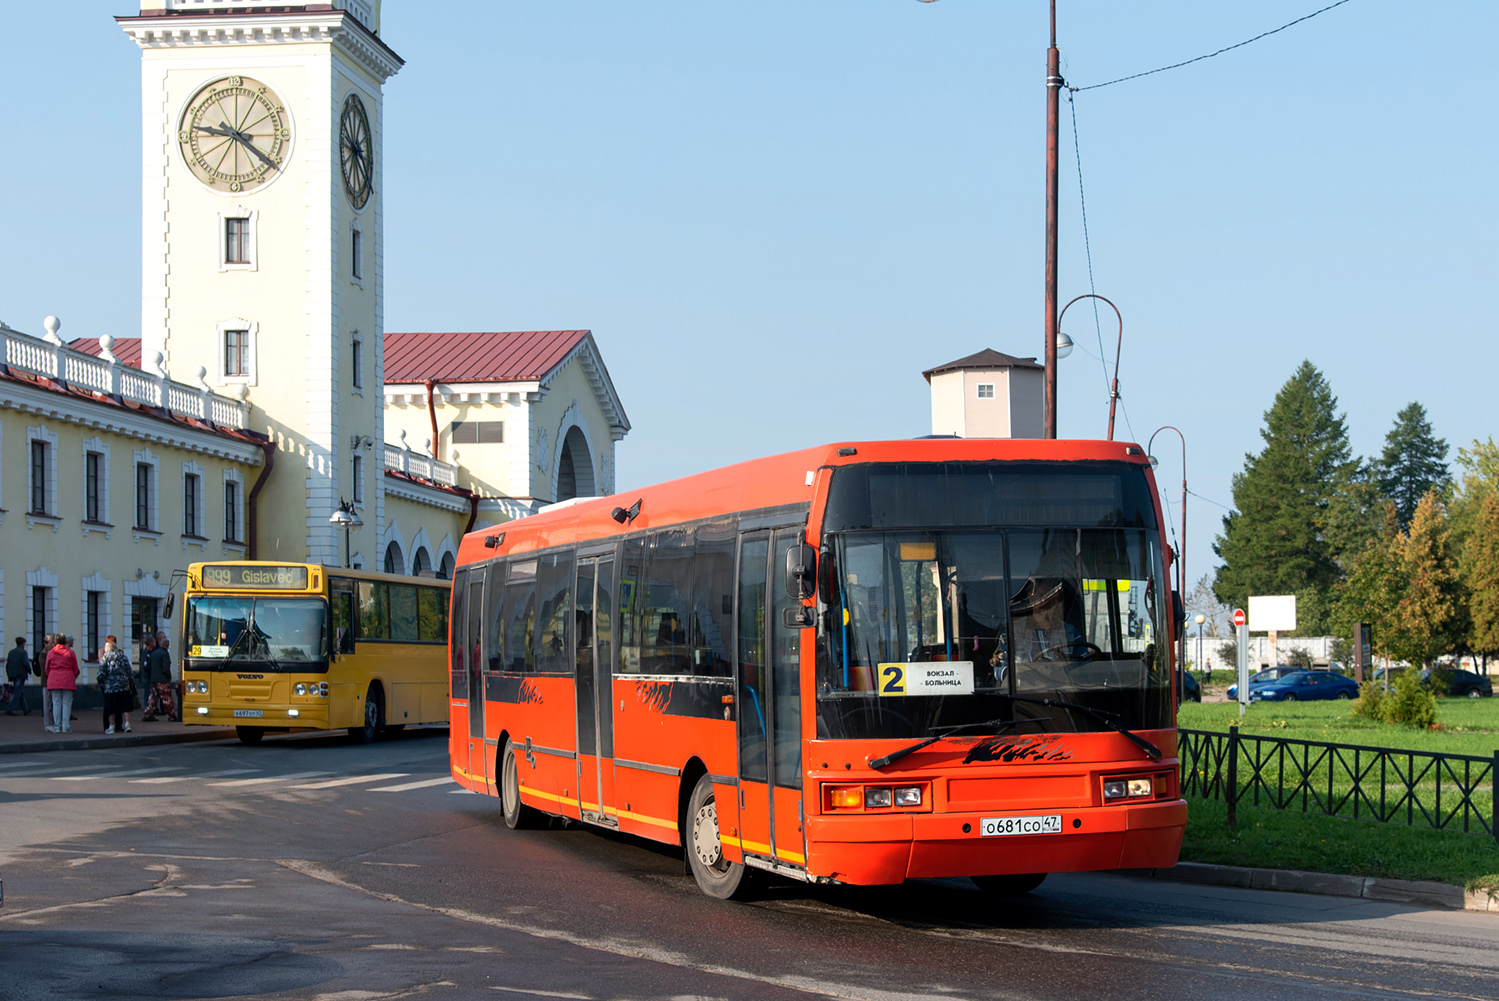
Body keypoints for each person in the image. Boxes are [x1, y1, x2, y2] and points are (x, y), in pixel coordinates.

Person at [97, 635, 133, 734]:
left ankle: (111, 726)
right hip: (123, 685)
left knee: (111, 706)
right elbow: (129, 671)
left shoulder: (106, 657)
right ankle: (127, 724)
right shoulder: (122, 655)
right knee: (124, 706)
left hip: (111, 686)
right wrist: (129, 681)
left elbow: (101, 672)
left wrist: (100, 681)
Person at [44, 635, 80, 733]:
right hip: (68, 678)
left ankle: (56, 726)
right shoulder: (70, 653)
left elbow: (47, 668)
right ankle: (65, 726)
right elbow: (75, 668)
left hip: (54, 678)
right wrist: (74, 675)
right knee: (67, 703)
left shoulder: (51, 653)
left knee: (56, 703)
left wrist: (51, 675)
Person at [142, 632, 178, 722]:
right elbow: (165, 668)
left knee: (152, 699)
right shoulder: (164, 654)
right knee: (167, 699)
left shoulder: (154, 653)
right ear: (167, 646)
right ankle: (171, 716)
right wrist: (168, 676)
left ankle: (147, 714)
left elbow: (148, 666)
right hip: (162, 680)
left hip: (153, 679)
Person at [5, 637, 31, 716]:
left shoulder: (11, 652)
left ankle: (25, 709)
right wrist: (29, 670)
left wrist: (9, 674)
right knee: (17, 692)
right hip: (20, 674)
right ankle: (9, 709)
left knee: (20, 692)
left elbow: (8, 664)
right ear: (23, 644)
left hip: (13, 674)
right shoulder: (23, 652)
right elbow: (25, 663)